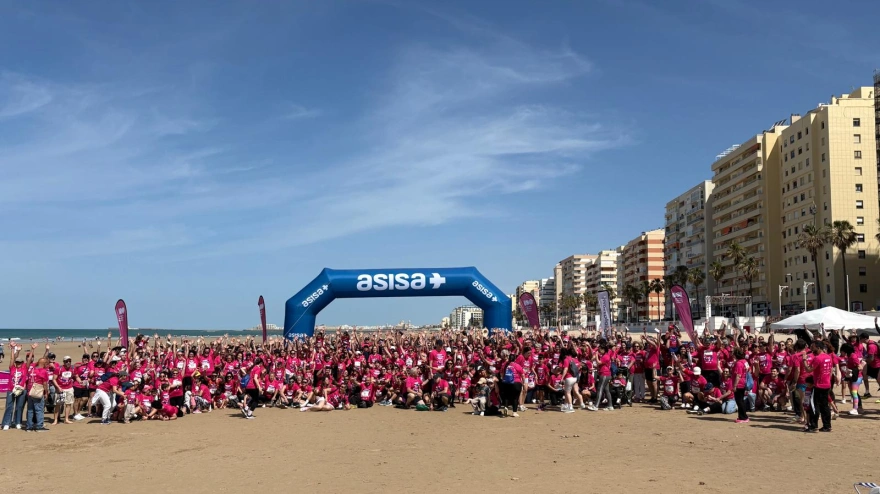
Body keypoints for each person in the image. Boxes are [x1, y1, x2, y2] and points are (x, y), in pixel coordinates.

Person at [803, 342, 834, 432]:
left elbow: (808, 369)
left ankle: (813, 426)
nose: (812, 349)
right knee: (824, 406)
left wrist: (804, 360)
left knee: (814, 405)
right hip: (826, 384)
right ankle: (827, 426)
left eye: (813, 347)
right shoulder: (828, 357)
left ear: (819, 348)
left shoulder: (818, 358)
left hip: (819, 385)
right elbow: (830, 370)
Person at [2, 344, 28, 430]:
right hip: (11, 389)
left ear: (22, 363)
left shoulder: (24, 368)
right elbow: (12, 359)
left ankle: (18, 422)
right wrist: (13, 349)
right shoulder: (12, 368)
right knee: (9, 406)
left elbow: (28, 361)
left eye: (20, 362)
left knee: (19, 407)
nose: (18, 363)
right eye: (17, 362)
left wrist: (32, 350)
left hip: (21, 390)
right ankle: (6, 423)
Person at [26, 357, 51, 432]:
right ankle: (39, 426)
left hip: (30, 392)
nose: (47, 365)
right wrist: (46, 392)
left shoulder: (32, 370)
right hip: (38, 392)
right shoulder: (43, 371)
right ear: (44, 364)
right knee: (39, 409)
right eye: (46, 363)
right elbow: (45, 383)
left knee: (30, 410)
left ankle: (29, 426)